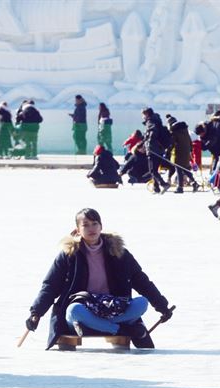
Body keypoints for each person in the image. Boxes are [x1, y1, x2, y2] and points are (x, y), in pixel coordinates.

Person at [25, 208, 173, 350]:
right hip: (84, 309)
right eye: (86, 225)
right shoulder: (69, 254)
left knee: (141, 303)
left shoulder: (119, 252)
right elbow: (51, 285)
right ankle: (121, 329)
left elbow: (141, 280)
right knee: (74, 310)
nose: (91, 228)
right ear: (78, 230)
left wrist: (161, 306)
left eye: (95, 223)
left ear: (101, 226)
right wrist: (36, 313)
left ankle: (108, 326)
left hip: (113, 307)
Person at [142, 107, 171, 194]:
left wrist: (148, 143)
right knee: (155, 169)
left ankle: (163, 184)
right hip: (160, 149)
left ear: (146, 114)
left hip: (153, 149)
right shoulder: (157, 120)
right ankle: (156, 187)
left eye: (143, 115)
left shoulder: (150, 122)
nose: (143, 117)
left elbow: (152, 132)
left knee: (152, 170)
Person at [166, 115, 197, 193]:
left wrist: (167, 152)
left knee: (179, 169)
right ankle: (194, 183)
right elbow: (189, 140)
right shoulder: (184, 129)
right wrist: (190, 150)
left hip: (179, 152)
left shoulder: (174, 131)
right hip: (186, 151)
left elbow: (172, 143)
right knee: (185, 168)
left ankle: (180, 187)